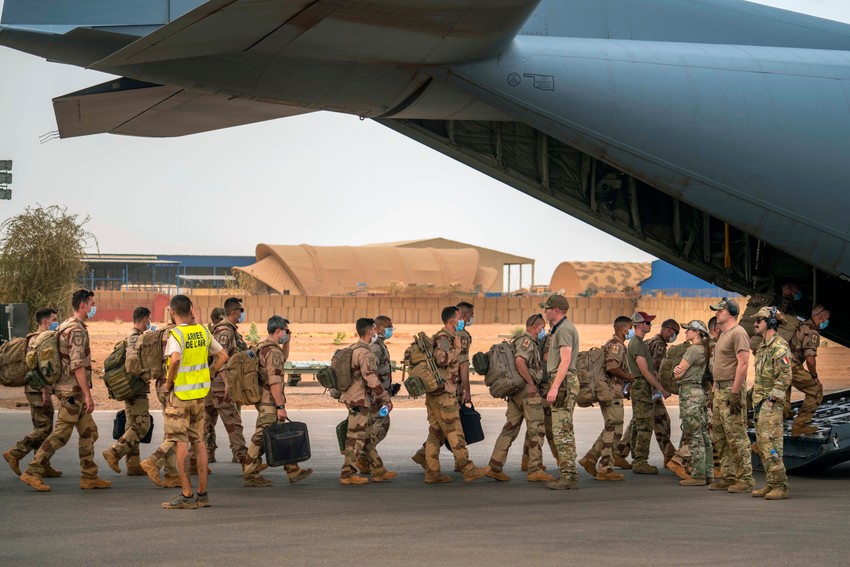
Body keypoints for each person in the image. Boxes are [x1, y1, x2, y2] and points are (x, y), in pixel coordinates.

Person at [20, 290, 111, 492]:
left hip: (68, 389)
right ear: (83, 306)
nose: (93, 307)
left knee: (89, 432)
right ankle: (33, 470)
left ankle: (89, 476)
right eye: (92, 303)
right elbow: (78, 365)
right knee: (60, 434)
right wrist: (88, 396)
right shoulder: (76, 331)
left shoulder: (64, 326)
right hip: (73, 392)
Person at [156, 295, 228, 509]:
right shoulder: (203, 331)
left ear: (172, 311)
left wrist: (168, 383)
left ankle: (186, 495)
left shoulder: (176, 334)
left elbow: (175, 360)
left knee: (181, 443)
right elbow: (223, 355)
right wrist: (209, 372)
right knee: (199, 442)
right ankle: (202, 494)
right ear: (191, 310)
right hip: (199, 395)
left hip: (180, 397)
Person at [419, 307, 489, 483]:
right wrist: (456, 349)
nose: (462, 320)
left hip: (439, 393)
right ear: (451, 320)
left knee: (435, 433)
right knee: (455, 431)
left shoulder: (449, 337)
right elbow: (441, 359)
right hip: (444, 394)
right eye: (459, 318)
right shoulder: (444, 338)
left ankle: (432, 473)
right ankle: (467, 468)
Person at [243, 316, 312, 487]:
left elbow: (283, 358)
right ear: (278, 331)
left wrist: (288, 341)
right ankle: (250, 473)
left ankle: (293, 470)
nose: (287, 334)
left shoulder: (263, 347)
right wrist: (280, 406)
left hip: (264, 399)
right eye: (286, 331)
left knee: (279, 433)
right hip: (269, 401)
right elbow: (274, 381)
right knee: (260, 437)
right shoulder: (272, 352)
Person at [486, 313, 553, 483]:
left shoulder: (518, 340)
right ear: (535, 326)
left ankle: (495, 466)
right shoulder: (527, 341)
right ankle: (535, 469)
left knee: (510, 428)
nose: (543, 330)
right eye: (542, 327)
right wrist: (531, 383)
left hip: (516, 393)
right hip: (526, 392)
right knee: (537, 428)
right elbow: (519, 361)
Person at [4, 307, 62, 478]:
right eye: (54, 319)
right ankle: (15, 453)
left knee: (41, 426)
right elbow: (38, 368)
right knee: (44, 428)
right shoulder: (41, 339)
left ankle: (43, 464)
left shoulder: (33, 338)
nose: (55, 322)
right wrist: (45, 392)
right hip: (38, 389)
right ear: (45, 321)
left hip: (35, 388)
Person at [339, 318, 396, 485]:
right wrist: (385, 398)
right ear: (370, 331)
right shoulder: (365, 353)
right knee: (355, 438)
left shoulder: (353, 349)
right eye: (373, 330)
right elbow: (371, 378)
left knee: (366, 437)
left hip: (353, 398)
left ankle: (378, 470)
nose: (375, 333)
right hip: (360, 400)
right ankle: (346, 474)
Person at [579, 316, 635, 481]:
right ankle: (605, 468)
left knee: (611, 428)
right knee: (614, 429)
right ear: (623, 328)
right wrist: (629, 377)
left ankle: (590, 458)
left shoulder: (614, 344)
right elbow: (612, 366)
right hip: (612, 392)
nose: (631, 331)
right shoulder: (616, 345)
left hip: (611, 391)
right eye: (630, 327)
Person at [708, 297, 754, 493]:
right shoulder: (724, 334)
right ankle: (728, 475)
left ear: (731, 312)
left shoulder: (739, 333)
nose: (717, 313)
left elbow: (743, 364)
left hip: (731, 390)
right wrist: (714, 390)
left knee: (736, 435)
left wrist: (735, 393)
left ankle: (745, 478)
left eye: (720, 310)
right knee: (719, 435)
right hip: (720, 390)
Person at [102, 307, 153, 476]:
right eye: (149, 320)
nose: (149, 323)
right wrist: (145, 376)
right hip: (135, 388)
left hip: (129, 388)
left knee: (131, 426)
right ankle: (114, 452)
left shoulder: (131, 336)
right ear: (145, 319)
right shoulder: (136, 338)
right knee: (143, 425)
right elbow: (132, 363)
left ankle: (133, 465)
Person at [620, 311, 671, 475]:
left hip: (641, 387)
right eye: (648, 323)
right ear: (640, 325)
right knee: (644, 426)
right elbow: (645, 372)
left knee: (637, 423)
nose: (650, 326)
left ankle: (637, 459)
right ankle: (640, 461)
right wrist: (662, 389)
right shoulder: (638, 344)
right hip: (642, 387)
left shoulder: (640, 343)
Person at [751, 307, 792, 499]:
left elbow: (785, 376)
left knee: (772, 443)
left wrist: (771, 399)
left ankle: (781, 485)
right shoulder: (763, 346)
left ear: (771, 322)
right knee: (763, 443)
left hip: (770, 404)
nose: (755, 323)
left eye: (759, 320)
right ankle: (771, 482)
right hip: (760, 403)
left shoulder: (779, 346)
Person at [541, 294, 581, 490]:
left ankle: (568, 476)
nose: (545, 311)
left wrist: (555, 386)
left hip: (563, 380)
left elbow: (565, 360)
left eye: (547, 308)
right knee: (564, 429)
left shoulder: (564, 329)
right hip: (564, 379)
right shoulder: (560, 328)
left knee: (561, 431)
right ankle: (569, 473)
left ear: (556, 310)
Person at [204, 296, 248, 464]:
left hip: (212, 385)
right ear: (234, 312)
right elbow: (220, 358)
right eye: (241, 311)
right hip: (220, 386)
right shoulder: (225, 331)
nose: (242, 314)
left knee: (204, 426)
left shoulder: (226, 329)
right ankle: (248, 467)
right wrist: (227, 384)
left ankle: (193, 463)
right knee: (234, 424)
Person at [672, 320, 714, 486]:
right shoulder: (703, 350)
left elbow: (678, 374)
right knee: (704, 435)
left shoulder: (693, 350)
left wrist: (676, 371)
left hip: (689, 393)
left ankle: (698, 474)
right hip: (698, 393)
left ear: (697, 332)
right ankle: (708, 472)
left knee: (694, 435)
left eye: (689, 330)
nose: (686, 332)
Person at [357, 315, 394, 473]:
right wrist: (380, 394)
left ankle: (365, 460)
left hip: (377, 394)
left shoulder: (379, 345)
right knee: (381, 425)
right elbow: (370, 373)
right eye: (388, 326)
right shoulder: (376, 347)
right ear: (377, 328)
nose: (391, 329)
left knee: (375, 425)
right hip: (376, 396)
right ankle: (363, 455)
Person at [787, 305, 830, 436]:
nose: (826, 322)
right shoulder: (812, 332)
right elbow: (810, 359)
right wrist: (814, 377)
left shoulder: (801, 324)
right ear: (821, 317)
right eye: (826, 319)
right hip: (791, 365)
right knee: (816, 392)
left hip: (781, 363)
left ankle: (783, 414)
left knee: (782, 390)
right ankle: (800, 425)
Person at [455, 301, 475, 405]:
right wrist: (467, 391)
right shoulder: (462, 335)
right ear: (464, 315)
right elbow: (463, 364)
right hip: (455, 387)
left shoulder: (449, 331)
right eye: (471, 314)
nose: (472, 318)